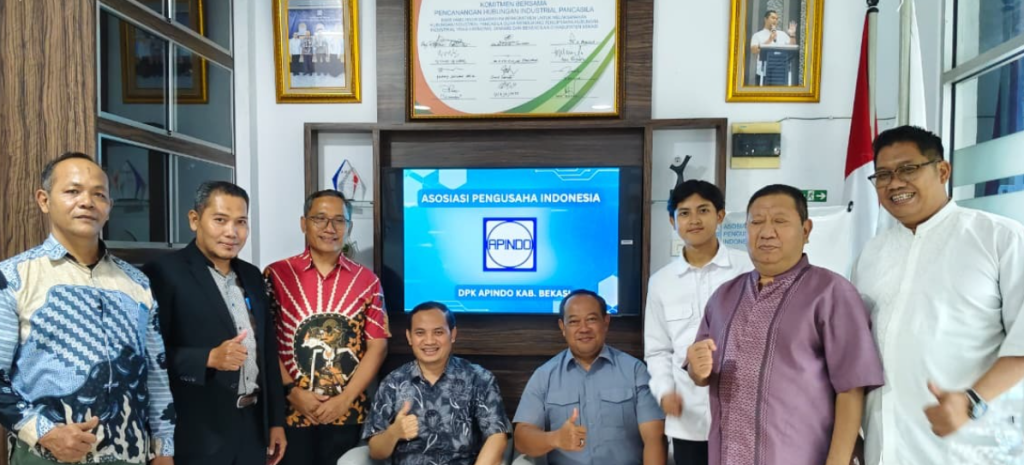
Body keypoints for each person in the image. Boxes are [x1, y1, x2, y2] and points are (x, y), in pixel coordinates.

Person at [853, 126, 1024, 465]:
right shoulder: (871, 254)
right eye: (883, 175)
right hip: (886, 449)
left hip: (971, 449)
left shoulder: (999, 238)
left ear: (943, 171)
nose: (894, 183)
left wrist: (972, 401)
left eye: (908, 169)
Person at [686, 184, 884, 465]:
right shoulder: (724, 297)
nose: (767, 232)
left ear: (806, 230)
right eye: (756, 222)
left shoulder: (831, 292)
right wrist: (696, 370)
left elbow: (852, 388)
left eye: (780, 221)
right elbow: (700, 372)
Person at [0, 152, 174, 464]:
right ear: (44, 200)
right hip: (46, 455)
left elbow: (156, 375)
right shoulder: (13, 277)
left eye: (99, 195)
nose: (87, 202)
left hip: (129, 452)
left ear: (109, 207)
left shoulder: (137, 283)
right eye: (72, 191)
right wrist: (44, 432)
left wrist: (164, 449)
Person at [143, 181, 287, 465]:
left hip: (251, 427)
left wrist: (275, 421)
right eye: (220, 220)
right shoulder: (163, 273)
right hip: (197, 431)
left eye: (241, 222)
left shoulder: (252, 275)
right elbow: (148, 356)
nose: (231, 232)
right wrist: (207, 358)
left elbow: (267, 353)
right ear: (194, 220)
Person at [264, 190, 389, 465]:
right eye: (319, 219)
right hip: (289, 413)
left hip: (347, 413)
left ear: (349, 227)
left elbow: (378, 346)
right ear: (303, 223)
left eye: (339, 220)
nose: (329, 228)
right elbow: (265, 341)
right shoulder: (276, 275)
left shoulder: (367, 281)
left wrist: (344, 400)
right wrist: (292, 392)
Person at [645, 180, 753, 465]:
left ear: (720, 216)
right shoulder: (661, 282)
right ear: (672, 221)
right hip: (689, 420)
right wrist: (665, 392)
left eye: (703, 210)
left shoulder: (748, 269)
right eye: (684, 213)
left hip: (744, 414)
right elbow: (657, 350)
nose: (693, 220)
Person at [514, 290, 666, 465]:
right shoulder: (545, 375)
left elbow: (655, 439)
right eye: (574, 321)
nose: (584, 328)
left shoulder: (634, 371)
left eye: (591, 319)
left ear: (606, 322)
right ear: (562, 327)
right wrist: (555, 438)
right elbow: (521, 438)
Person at [362, 302, 510, 464]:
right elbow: (376, 451)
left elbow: (497, 436)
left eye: (438, 332)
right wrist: (393, 433)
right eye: (420, 333)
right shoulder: (393, 383)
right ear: (409, 337)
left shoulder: (479, 378)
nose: (429, 341)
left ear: (452, 334)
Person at [749, 10, 797, 85]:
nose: (775, 20)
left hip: (780, 74)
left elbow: (792, 46)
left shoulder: (782, 34)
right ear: (765, 19)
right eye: (773, 18)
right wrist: (770, 39)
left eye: (777, 19)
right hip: (763, 73)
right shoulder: (757, 35)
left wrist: (792, 35)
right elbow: (753, 50)